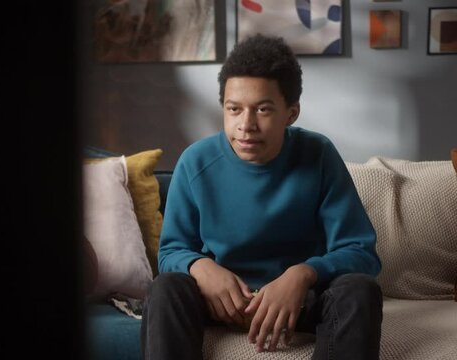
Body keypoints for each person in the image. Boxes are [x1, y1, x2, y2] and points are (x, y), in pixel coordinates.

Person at [140, 34, 383, 360]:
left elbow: (361, 252)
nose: (246, 125)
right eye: (234, 109)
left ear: (291, 112)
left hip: (299, 301)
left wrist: (302, 274)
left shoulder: (319, 155)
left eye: (263, 109)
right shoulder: (196, 161)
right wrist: (199, 266)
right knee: (165, 288)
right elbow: (170, 252)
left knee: (360, 291)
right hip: (222, 301)